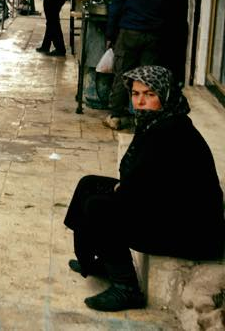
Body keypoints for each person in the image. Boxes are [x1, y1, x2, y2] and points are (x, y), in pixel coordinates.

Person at [65, 65, 224, 312]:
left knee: (99, 207)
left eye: (150, 95)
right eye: (136, 94)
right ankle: (97, 260)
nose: (140, 101)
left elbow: (141, 187)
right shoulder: (156, 122)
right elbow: (145, 182)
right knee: (89, 184)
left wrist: (122, 190)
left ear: (165, 95)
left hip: (191, 232)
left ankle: (126, 289)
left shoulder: (170, 131)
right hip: (169, 209)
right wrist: (123, 188)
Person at [104, 0, 165, 130]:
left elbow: (115, 10)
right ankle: (144, 117)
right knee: (147, 78)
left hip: (129, 34)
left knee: (123, 75)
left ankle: (116, 115)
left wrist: (110, 34)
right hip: (153, 35)